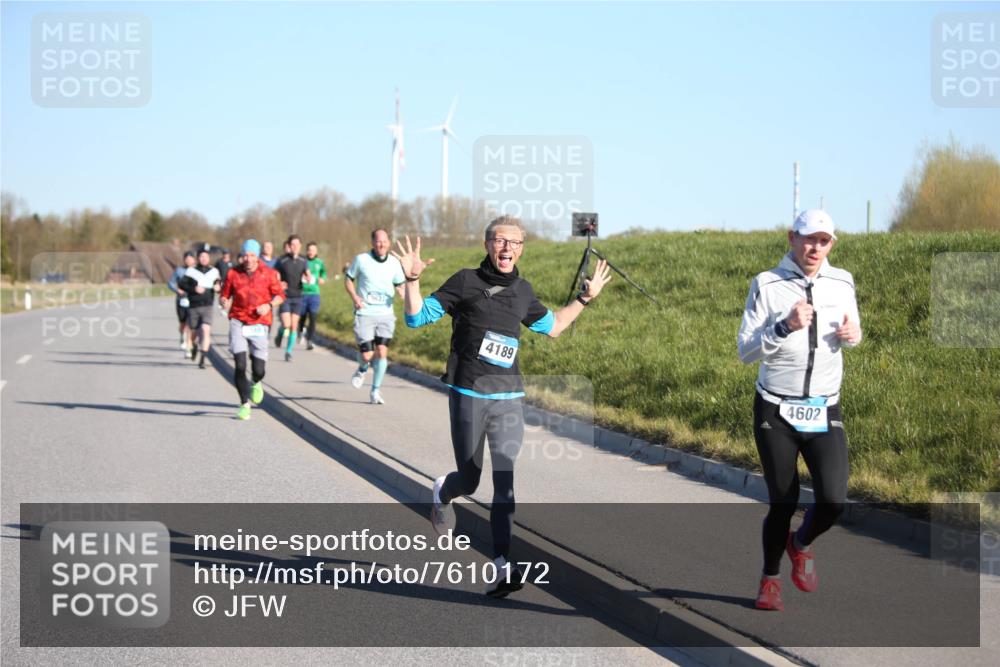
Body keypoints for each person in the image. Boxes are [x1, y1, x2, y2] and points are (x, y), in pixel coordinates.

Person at [396, 216, 612, 598]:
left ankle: (501, 566)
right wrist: (413, 281)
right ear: (487, 245)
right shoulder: (464, 281)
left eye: (514, 242)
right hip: (468, 395)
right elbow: (416, 319)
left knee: (505, 485)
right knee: (470, 478)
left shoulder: (524, 292)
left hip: (508, 399)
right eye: (500, 241)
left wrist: (584, 299)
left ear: (522, 249)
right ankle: (443, 491)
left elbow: (555, 327)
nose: (507, 248)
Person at [737, 209, 862, 611]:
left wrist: (853, 335)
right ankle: (770, 578)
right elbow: (746, 351)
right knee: (784, 500)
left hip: (825, 408)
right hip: (776, 409)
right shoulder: (767, 285)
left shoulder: (842, 281)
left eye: (824, 241)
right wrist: (783, 327)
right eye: (808, 239)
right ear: (792, 238)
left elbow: (852, 330)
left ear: (832, 245)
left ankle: (801, 543)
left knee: (834, 501)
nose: (815, 248)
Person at [219, 239, 284, 420]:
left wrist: (269, 305)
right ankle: (244, 404)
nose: (248, 259)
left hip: (259, 322)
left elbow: (280, 295)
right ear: (242, 255)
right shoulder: (233, 273)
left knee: (259, 368)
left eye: (252, 255)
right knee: (240, 364)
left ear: (257, 256)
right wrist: (223, 301)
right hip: (238, 320)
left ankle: (256, 382)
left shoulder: (268, 274)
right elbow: (224, 294)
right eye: (245, 255)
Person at [345, 229, 406, 405]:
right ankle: (363, 368)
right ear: (372, 242)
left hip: (385, 314)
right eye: (378, 241)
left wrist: (403, 293)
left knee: (382, 352)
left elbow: (399, 284)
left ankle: (375, 391)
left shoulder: (394, 263)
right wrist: (355, 297)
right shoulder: (361, 260)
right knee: (367, 355)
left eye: (385, 241)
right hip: (365, 313)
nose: (382, 244)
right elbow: (348, 279)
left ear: (389, 242)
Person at [179, 248, 221, 368]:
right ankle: (194, 346)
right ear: (198, 258)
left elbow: (219, 283)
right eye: (201, 257)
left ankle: (202, 358)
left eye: (206, 257)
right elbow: (182, 284)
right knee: (194, 332)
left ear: (209, 258)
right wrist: (194, 289)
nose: (204, 259)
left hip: (207, 305)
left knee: (205, 330)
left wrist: (218, 287)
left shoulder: (214, 271)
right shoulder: (191, 271)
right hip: (194, 306)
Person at [273, 235, 311, 361]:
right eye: (292, 244)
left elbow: (307, 273)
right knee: (286, 324)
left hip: (298, 296)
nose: (295, 247)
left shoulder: (303, 260)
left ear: (300, 246)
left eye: (297, 244)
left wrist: (308, 278)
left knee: (294, 325)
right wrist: (278, 283)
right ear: (289, 246)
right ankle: (279, 334)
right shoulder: (282, 260)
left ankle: (288, 352)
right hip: (285, 296)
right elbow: (274, 275)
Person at [298, 241, 328, 350]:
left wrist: (322, 279)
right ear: (306, 251)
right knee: (302, 317)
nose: (311, 252)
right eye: (309, 250)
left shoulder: (319, 262)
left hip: (314, 294)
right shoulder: (302, 261)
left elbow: (324, 274)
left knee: (313, 317)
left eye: (313, 250)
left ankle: (310, 340)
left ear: (316, 251)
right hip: (302, 293)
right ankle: (300, 331)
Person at [167, 251, 197, 356]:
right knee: (183, 323)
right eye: (186, 258)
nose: (188, 260)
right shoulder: (179, 270)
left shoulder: (197, 270)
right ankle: (182, 335)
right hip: (181, 300)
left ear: (194, 259)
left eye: (190, 258)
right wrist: (178, 290)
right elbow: (170, 283)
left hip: (193, 300)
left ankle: (188, 345)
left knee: (190, 323)